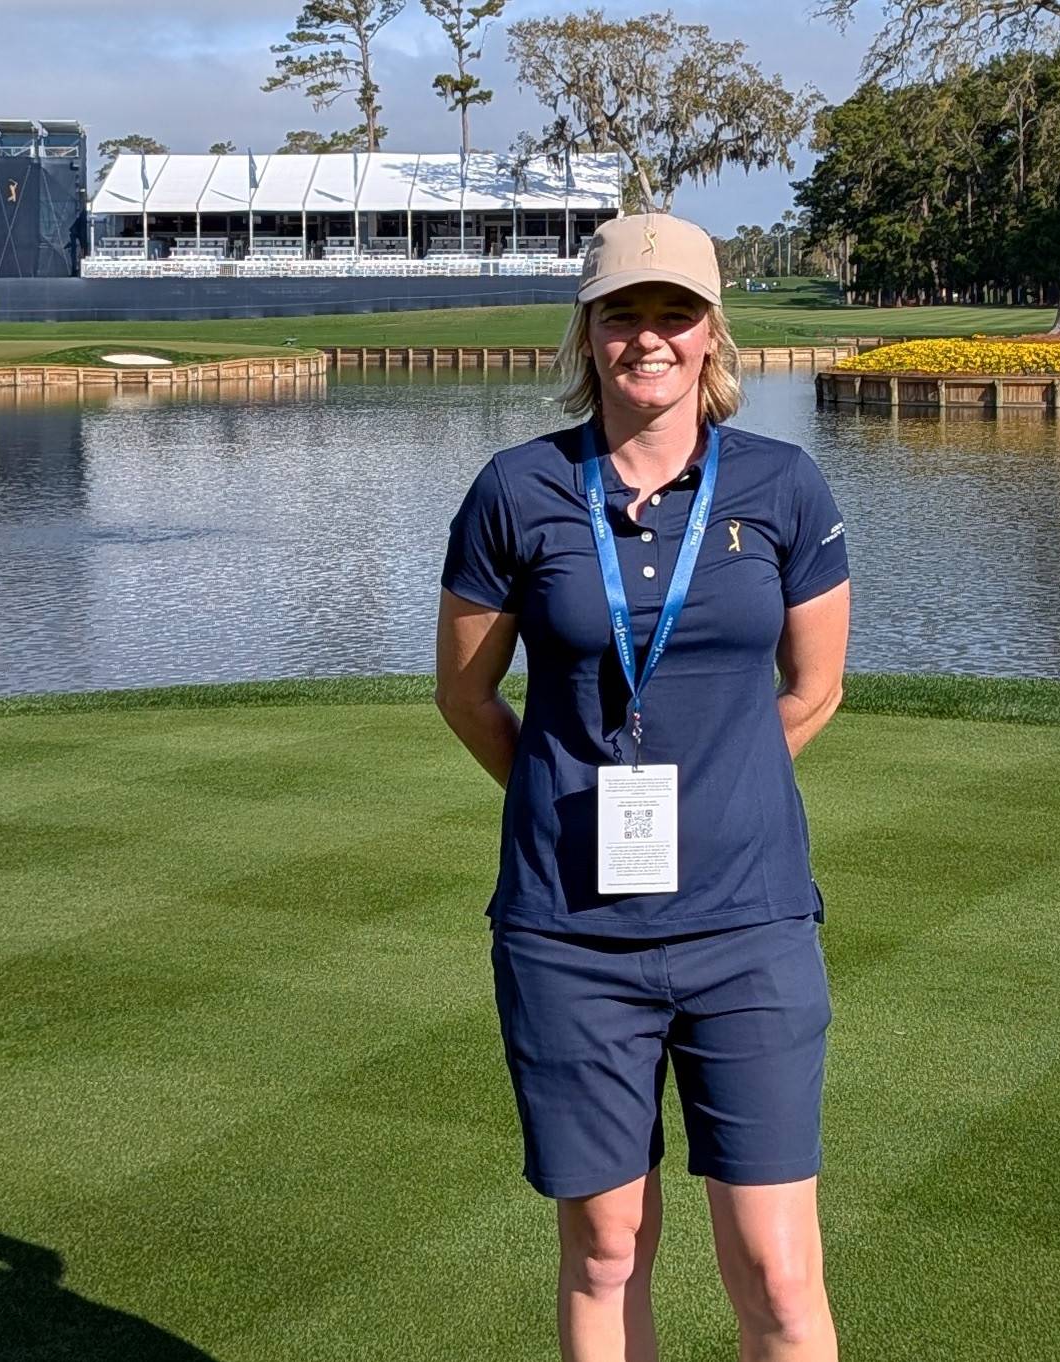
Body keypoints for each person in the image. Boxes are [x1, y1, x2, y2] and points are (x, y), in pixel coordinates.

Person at [435, 212, 851, 1360]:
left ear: (714, 332)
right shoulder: (518, 490)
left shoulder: (782, 485)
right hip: (571, 937)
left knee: (777, 1271)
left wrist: (719, 798)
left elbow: (814, 689)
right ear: (588, 332)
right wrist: (562, 803)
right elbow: (467, 697)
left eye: (676, 313)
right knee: (606, 1249)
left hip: (748, 927)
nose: (650, 336)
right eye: (624, 313)